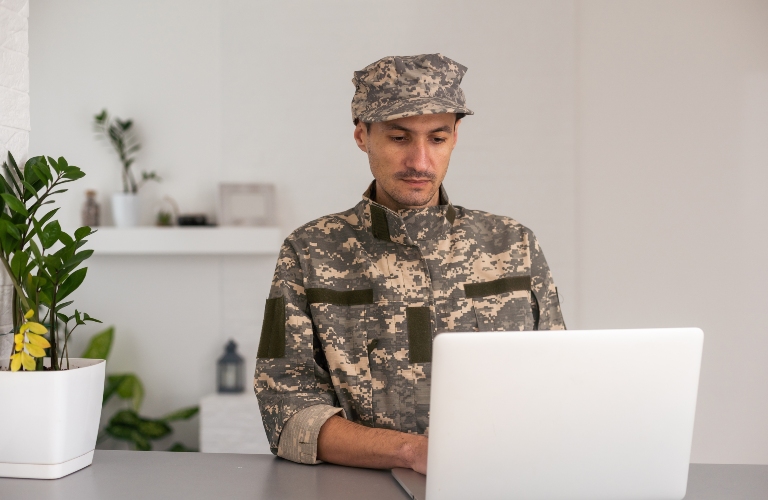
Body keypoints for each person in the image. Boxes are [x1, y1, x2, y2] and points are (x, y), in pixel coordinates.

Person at [254, 53, 565, 474]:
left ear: (456, 136)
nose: (420, 161)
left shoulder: (513, 246)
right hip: (356, 489)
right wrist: (412, 452)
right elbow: (286, 413)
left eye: (436, 138)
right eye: (399, 138)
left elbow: (559, 386)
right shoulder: (310, 252)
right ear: (362, 136)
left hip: (495, 482)